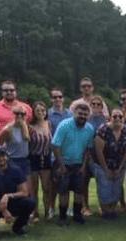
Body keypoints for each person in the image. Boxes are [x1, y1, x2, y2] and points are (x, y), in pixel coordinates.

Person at [52, 103, 94, 226]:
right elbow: (56, 146)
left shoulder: (89, 129)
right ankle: (63, 217)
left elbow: (88, 149)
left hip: (78, 164)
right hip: (63, 163)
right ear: (74, 113)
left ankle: (77, 215)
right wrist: (61, 166)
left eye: (85, 114)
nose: (82, 116)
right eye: (80, 113)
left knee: (79, 192)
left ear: (88, 116)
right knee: (63, 192)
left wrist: (83, 166)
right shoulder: (64, 125)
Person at [92, 109, 126, 219]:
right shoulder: (103, 130)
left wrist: (120, 168)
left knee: (116, 187)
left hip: (119, 163)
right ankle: (105, 210)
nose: (118, 119)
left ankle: (113, 208)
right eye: (115, 116)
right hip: (103, 163)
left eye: (120, 116)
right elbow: (99, 151)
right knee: (105, 187)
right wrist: (106, 169)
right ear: (110, 118)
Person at [47, 87, 72, 219]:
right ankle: (51, 207)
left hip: (68, 152)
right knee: (54, 182)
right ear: (51, 99)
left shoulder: (70, 113)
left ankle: (66, 207)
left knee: (67, 181)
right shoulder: (48, 114)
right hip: (52, 152)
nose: (58, 99)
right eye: (55, 97)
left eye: (60, 97)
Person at [82, 95, 108, 216]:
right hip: (87, 154)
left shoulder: (106, 120)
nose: (96, 106)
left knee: (101, 181)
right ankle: (85, 206)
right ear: (90, 106)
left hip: (101, 155)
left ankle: (102, 205)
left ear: (102, 107)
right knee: (84, 181)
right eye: (93, 104)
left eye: (98, 104)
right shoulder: (86, 119)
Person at [27, 102, 53, 221]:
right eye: (38, 111)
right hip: (33, 158)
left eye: (43, 110)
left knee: (46, 188)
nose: (41, 113)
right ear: (34, 113)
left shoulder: (49, 124)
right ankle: (34, 212)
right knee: (34, 189)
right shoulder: (30, 127)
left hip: (46, 158)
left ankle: (48, 211)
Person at [0, 106, 31, 177]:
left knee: (26, 187)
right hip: (12, 160)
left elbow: (27, 139)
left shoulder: (27, 127)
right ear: (13, 115)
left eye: (22, 114)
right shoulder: (7, 129)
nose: (19, 116)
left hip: (25, 160)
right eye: (17, 113)